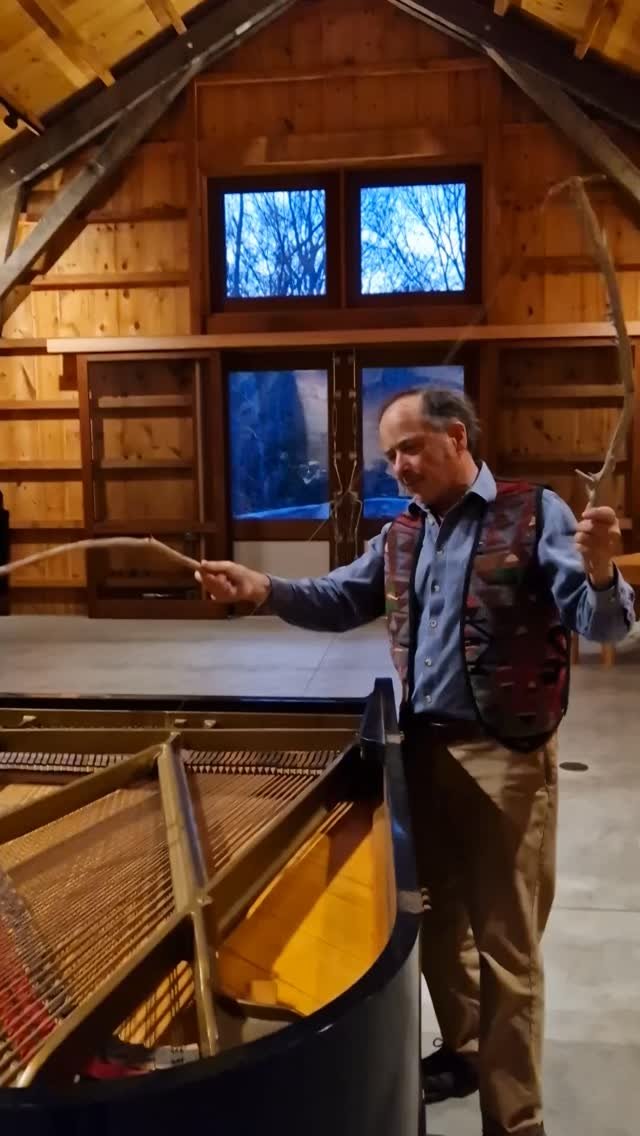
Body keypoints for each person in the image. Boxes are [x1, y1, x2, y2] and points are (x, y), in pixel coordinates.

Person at [196, 388, 635, 1136]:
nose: (396, 466)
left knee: (507, 949)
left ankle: (515, 1120)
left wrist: (600, 572)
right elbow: (342, 598)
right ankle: (464, 1052)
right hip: (422, 749)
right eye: (389, 454)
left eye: (409, 449)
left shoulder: (535, 514)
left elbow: (603, 624)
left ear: (456, 437)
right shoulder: (403, 533)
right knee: (433, 923)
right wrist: (264, 588)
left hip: (505, 758)